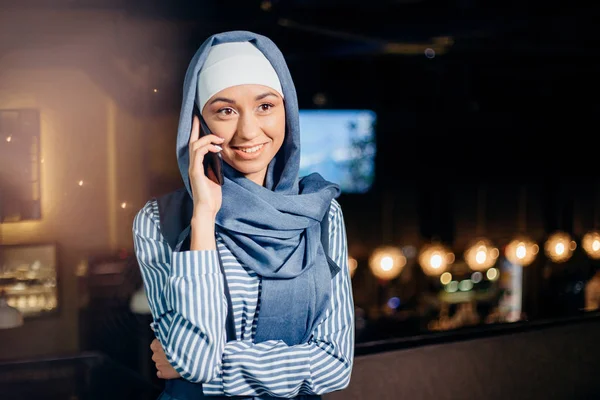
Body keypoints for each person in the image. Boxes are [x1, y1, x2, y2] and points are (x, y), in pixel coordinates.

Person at [132, 31, 355, 399]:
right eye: (225, 111)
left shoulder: (322, 214)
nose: (248, 131)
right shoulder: (157, 223)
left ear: (288, 111)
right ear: (198, 122)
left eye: (265, 106)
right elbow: (198, 362)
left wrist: (215, 365)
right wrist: (203, 216)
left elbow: (335, 365)